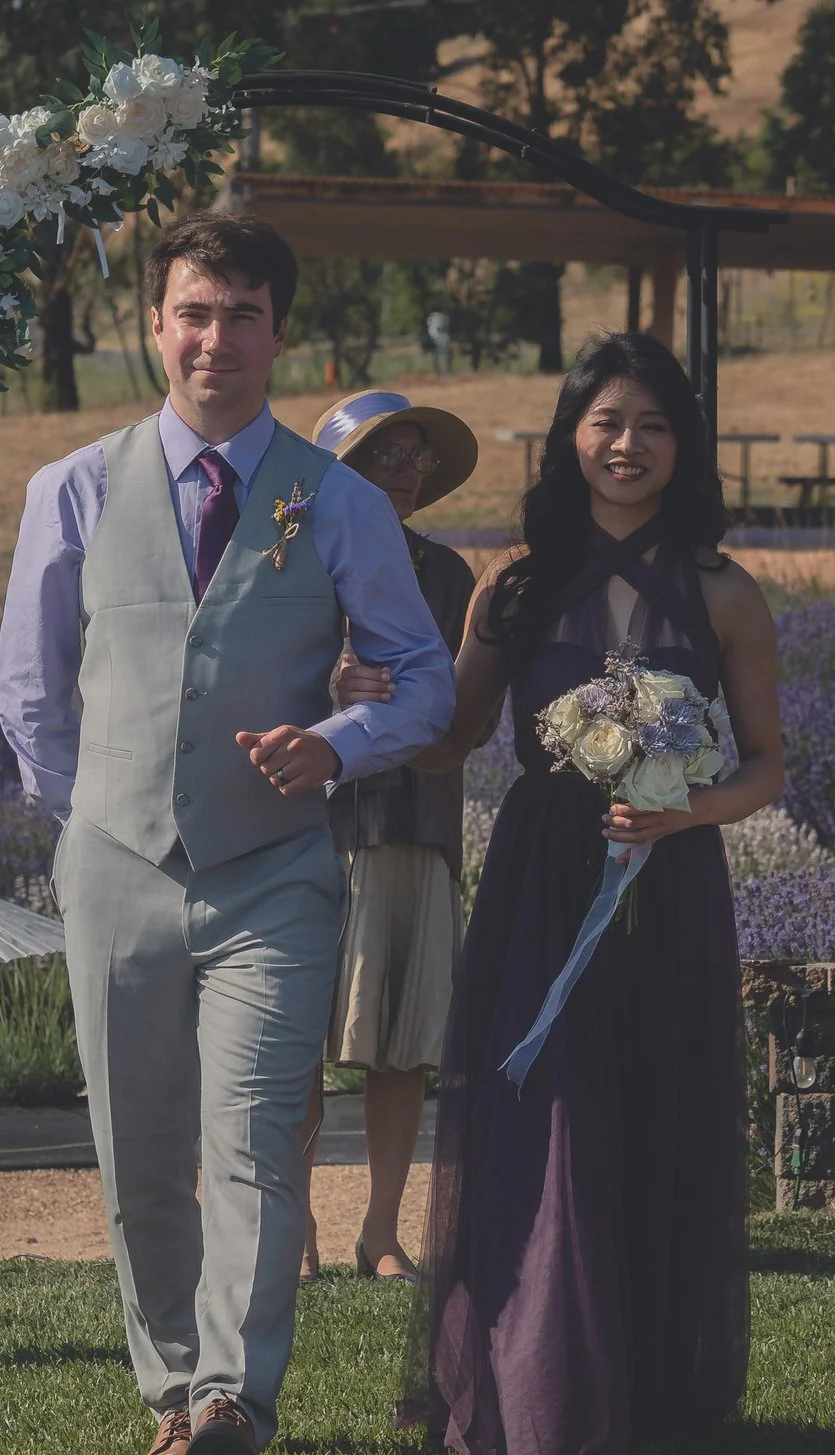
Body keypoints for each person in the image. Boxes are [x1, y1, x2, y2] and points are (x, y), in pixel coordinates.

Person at [0, 211, 455, 1455]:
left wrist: (341, 742)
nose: (216, 340)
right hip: (117, 870)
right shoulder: (72, 489)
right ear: (155, 326)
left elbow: (422, 680)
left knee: (253, 1136)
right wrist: (101, 824)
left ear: (280, 334)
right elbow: (30, 696)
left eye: (243, 314)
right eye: (194, 312)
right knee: (140, 1148)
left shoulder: (344, 501)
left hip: (275, 875)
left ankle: (230, 1405)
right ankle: (168, 1387)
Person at [400, 332, 784, 1455]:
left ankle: (641, 1387)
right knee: (547, 1122)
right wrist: (352, 694)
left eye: (653, 425)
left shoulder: (723, 589)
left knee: (646, 1118)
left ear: (684, 445)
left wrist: (688, 811)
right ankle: (541, 1396)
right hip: (537, 883)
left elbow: (767, 765)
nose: (627, 445)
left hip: (667, 886)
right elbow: (454, 736)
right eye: (607, 421)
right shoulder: (510, 583)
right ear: (572, 435)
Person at [297, 388, 480, 1283]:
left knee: (403, 1041)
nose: (403, 473)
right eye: (381, 457)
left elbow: (463, 707)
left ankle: (380, 1231)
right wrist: (322, 690)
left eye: (413, 457)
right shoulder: (288, 559)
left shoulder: (450, 578)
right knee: (290, 1034)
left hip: (413, 824)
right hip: (309, 824)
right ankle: (291, 1231)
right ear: (340, 474)